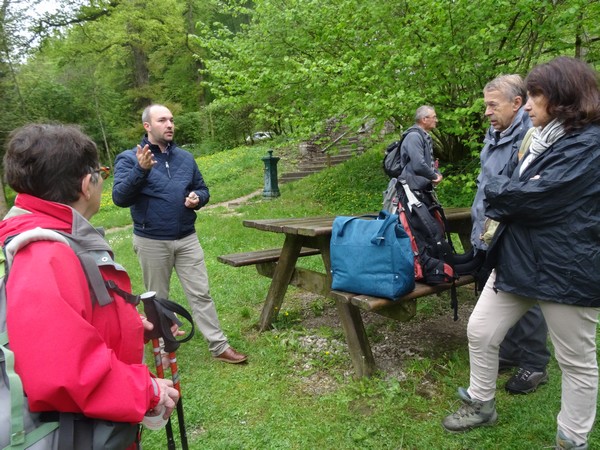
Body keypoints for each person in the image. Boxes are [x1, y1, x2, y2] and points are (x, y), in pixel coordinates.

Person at [442, 56, 600, 450]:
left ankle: (571, 440)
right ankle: (481, 404)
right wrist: (509, 191)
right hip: (519, 259)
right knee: (480, 330)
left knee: (575, 361)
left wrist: (497, 190)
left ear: (564, 96)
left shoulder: (590, 144)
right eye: (527, 95)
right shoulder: (543, 139)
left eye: (536, 95)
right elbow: (523, 192)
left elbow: (530, 199)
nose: (528, 105)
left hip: (566, 267)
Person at [0, 124, 179, 449]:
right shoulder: (44, 254)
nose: (102, 179)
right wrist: (147, 391)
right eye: (102, 172)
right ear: (87, 184)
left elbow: (59, 326)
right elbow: (62, 373)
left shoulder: (45, 237)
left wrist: (130, 327)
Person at [112, 104, 248, 364]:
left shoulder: (185, 158)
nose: (170, 124)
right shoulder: (130, 158)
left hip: (186, 237)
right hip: (151, 240)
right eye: (162, 120)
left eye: (172, 120)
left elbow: (203, 188)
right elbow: (119, 197)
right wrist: (140, 170)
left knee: (201, 293)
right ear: (147, 126)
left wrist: (199, 198)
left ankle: (219, 346)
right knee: (157, 299)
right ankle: (164, 349)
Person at [469, 74, 550, 395]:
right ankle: (513, 351)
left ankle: (534, 364)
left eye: (493, 105)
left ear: (517, 103)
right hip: (491, 231)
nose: (487, 112)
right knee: (503, 290)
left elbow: (524, 191)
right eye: (486, 105)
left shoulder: (531, 137)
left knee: (525, 299)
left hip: (516, 234)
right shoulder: (496, 134)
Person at [398, 105, 443, 190]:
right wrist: (434, 176)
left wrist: (437, 173)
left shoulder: (423, 136)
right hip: (412, 189)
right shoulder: (414, 136)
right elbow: (418, 164)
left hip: (421, 188)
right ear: (424, 119)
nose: (436, 120)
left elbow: (429, 162)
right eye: (434, 117)